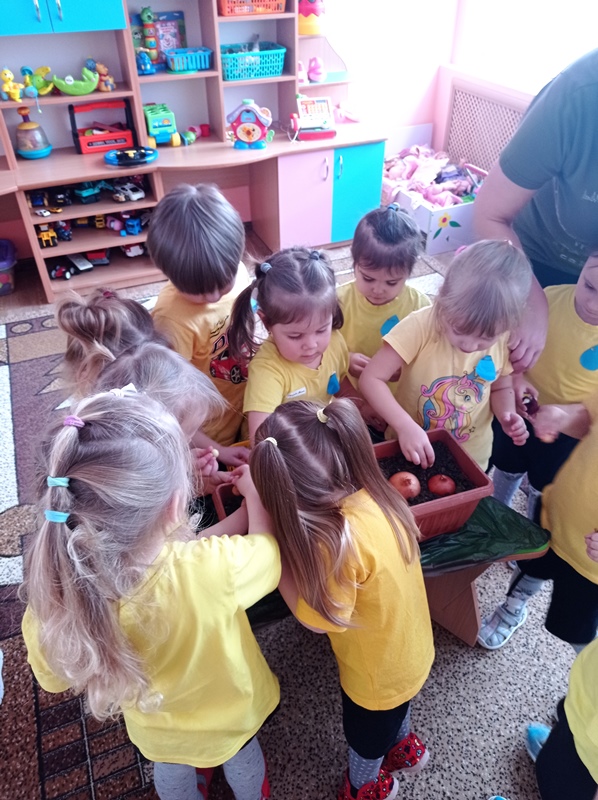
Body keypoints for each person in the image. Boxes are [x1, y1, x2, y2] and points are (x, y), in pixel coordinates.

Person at [21, 390, 280, 800]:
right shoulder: (213, 571)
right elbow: (267, 553)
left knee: (172, 773)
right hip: (232, 715)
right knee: (243, 762)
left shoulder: (53, 594)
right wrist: (258, 499)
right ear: (176, 506)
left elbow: (50, 680)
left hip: (157, 729)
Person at [245, 398, 434, 800]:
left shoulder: (335, 545)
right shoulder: (379, 495)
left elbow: (318, 620)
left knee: (366, 738)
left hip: (375, 678)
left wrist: (277, 563)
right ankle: (401, 745)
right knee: (399, 709)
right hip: (414, 649)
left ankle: (362, 785)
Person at [473, 49, 598, 372]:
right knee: (513, 366)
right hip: (536, 259)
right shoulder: (577, 95)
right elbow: (489, 214)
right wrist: (530, 298)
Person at [359, 240, 533, 471]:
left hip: (470, 455)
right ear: (442, 298)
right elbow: (371, 378)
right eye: (459, 330)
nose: (470, 345)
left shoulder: (503, 336)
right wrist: (404, 426)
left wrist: (507, 415)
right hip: (409, 447)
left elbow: (501, 387)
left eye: (486, 338)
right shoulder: (421, 326)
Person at [56, 290, 228, 492]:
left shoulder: (135, 412)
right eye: (180, 436)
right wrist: (180, 475)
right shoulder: (108, 454)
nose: (186, 441)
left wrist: (188, 465)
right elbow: (154, 499)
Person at [478, 392, 598, 653]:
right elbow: (590, 415)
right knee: (529, 569)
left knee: (576, 628)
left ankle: (587, 667)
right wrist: (562, 418)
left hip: (591, 566)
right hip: (556, 516)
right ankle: (512, 606)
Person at [148, 182, 252, 465]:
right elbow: (170, 407)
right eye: (199, 291)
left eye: (223, 284)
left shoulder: (239, 271)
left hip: (246, 399)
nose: (214, 296)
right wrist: (217, 449)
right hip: (207, 432)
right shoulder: (170, 319)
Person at [491, 254, 598, 519]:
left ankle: (532, 533)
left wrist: (565, 416)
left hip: (569, 433)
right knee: (506, 464)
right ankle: (496, 512)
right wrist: (517, 376)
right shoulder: (548, 300)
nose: (593, 305)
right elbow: (508, 343)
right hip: (518, 409)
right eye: (589, 286)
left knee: (544, 486)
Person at [228, 247, 349, 444]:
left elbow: (341, 384)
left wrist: (362, 407)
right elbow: (262, 440)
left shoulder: (335, 341)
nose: (311, 345)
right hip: (281, 449)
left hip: (316, 439)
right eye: (295, 336)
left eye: (321, 330)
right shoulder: (267, 371)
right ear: (266, 322)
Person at [336, 203, 431, 433]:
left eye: (391, 282)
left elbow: (429, 361)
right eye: (368, 278)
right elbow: (321, 354)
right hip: (350, 400)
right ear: (354, 264)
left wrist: (407, 368)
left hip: (400, 408)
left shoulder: (420, 307)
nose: (378, 290)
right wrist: (345, 359)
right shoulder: (338, 302)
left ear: (408, 273)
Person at [526, 639, 598, 800]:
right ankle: (556, 757)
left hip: (589, 764)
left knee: (560, 788)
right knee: (563, 741)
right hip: (585, 705)